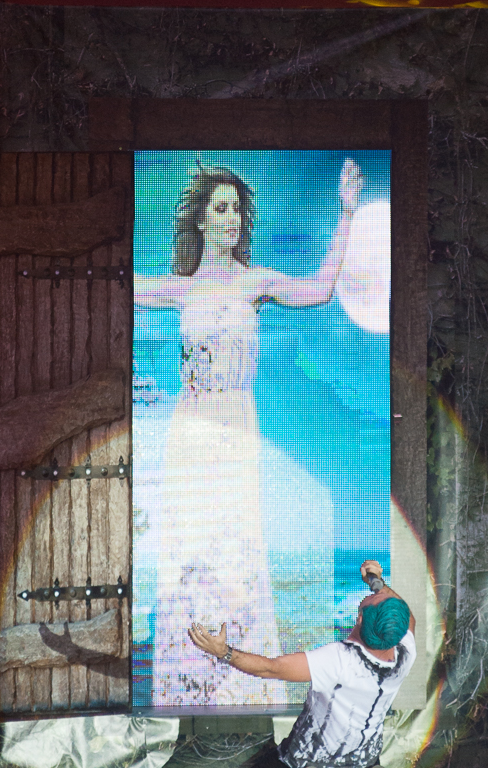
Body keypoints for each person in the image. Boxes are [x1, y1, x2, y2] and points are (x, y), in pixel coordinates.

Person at [135, 158, 364, 708]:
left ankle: (238, 682)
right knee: (191, 551)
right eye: (221, 207)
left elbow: (320, 290)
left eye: (237, 207)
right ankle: (186, 681)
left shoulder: (255, 282)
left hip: (237, 433)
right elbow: (116, 288)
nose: (231, 217)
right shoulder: (179, 288)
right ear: (201, 220)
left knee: (236, 551)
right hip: (191, 436)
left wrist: (347, 213)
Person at [188, 560, 416, 768]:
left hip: (305, 762)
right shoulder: (404, 653)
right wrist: (377, 582)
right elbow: (408, 617)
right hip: (361, 761)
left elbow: (270, 668)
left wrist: (223, 652)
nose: (376, 593)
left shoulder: (338, 660)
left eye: (371, 598)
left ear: (359, 620)